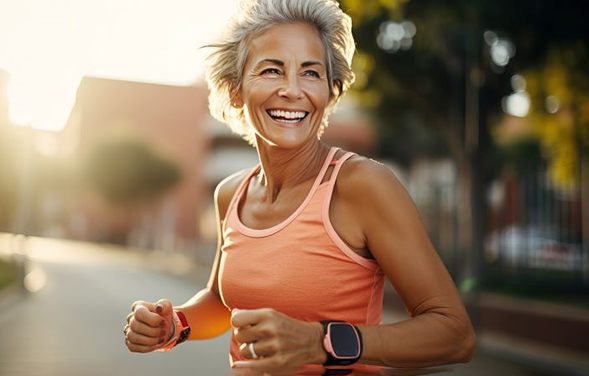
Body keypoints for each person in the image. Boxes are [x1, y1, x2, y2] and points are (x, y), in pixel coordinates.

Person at [123, 0, 476, 374]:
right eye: (272, 70)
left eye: (310, 73)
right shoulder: (231, 194)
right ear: (235, 89)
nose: (292, 91)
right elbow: (223, 302)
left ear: (330, 91)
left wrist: (320, 341)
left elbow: (455, 334)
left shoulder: (362, 185)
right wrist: (173, 324)